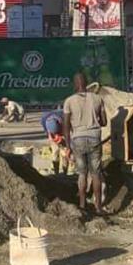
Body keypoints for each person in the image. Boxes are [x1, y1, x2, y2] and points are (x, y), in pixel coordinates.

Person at [62, 73, 107, 214]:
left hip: (78, 140)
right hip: (94, 138)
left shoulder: (69, 101)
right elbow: (104, 122)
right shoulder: (98, 99)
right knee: (96, 174)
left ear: (75, 85)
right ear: (86, 83)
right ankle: (98, 207)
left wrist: (68, 147)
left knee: (82, 173)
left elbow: (66, 126)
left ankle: (82, 205)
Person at [40, 108, 70, 174]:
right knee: (55, 153)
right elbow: (47, 132)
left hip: (64, 133)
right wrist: (51, 137)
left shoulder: (65, 116)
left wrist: (64, 139)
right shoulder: (44, 119)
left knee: (64, 153)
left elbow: (69, 132)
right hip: (53, 133)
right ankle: (56, 173)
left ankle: (65, 172)